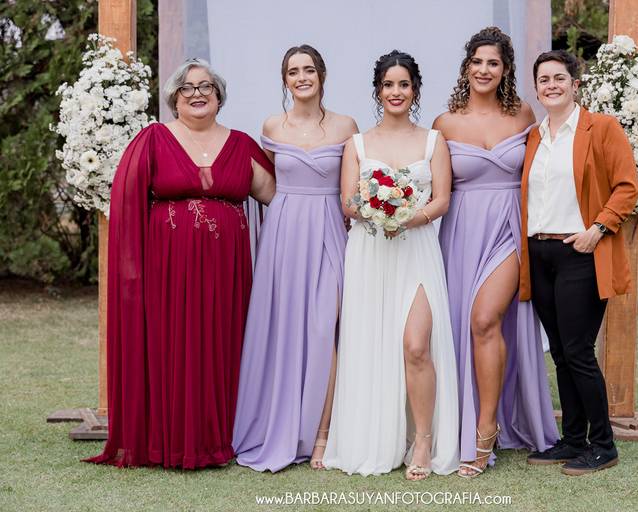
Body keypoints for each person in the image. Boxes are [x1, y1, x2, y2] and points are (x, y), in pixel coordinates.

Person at [86, 59, 275, 469]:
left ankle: (219, 437)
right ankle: (168, 440)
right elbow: (126, 205)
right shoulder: (153, 140)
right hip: (166, 270)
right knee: (172, 347)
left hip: (225, 272)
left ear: (219, 97)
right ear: (174, 98)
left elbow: (280, 199)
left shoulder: (242, 145)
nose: (197, 94)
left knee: (220, 347)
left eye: (206, 86)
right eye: (187, 88)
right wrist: (131, 275)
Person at [322, 50, 460, 480]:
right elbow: (348, 202)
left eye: (403, 84)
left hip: (416, 249)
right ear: (378, 91)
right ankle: (377, 438)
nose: (395, 92)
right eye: (388, 85)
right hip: (370, 252)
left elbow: (442, 200)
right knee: (372, 346)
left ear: (414, 90)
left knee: (416, 345)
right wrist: (377, 210)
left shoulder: (434, 141)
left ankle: (424, 440)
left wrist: (408, 217)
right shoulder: (358, 144)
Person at [433, 27, 559, 478]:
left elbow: (547, 170)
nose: (484, 70)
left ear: (505, 70)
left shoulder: (522, 114)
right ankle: (463, 419)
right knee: (462, 326)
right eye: (477, 61)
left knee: (485, 319)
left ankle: (486, 428)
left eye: (493, 63)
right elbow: (433, 185)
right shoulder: (445, 123)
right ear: (466, 66)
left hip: (509, 230)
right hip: (462, 234)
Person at [232, 45, 357, 472]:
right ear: (285, 80)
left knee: (325, 328)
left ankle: (322, 434)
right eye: (293, 72)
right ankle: (280, 423)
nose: (301, 77)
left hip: (329, 230)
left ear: (322, 75)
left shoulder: (345, 125)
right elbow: (268, 179)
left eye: (308, 70)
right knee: (285, 329)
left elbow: (352, 184)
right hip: (284, 234)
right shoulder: (272, 126)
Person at [520, 50, 638, 475]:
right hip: (540, 254)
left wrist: (598, 229)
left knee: (577, 350)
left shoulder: (601, 128)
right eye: (544, 80)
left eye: (559, 78)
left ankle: (603, 445)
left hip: (581, 253)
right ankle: (572, 439)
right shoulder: (534, 136)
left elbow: (627, 186)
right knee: (561, 354)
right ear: (536, 89)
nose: (551, 85)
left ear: (575, 84)